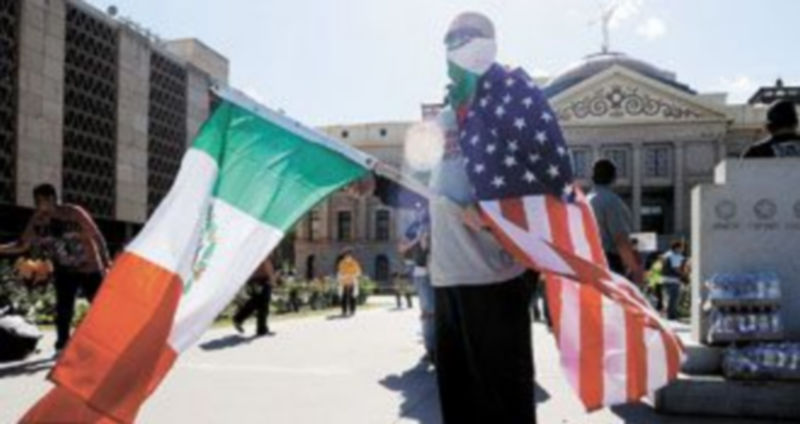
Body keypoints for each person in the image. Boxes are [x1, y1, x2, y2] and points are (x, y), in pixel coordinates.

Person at [0, 184, 110, 352]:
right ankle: (62, 343)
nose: (37, 205)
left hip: (89, 268)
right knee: (63, 308)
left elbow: (96, 236)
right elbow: (22, 244)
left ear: (51, 198)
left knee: (100, 306)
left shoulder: (75, 213)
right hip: (64, 269)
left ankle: (109, 341)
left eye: (40, 201)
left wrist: (106, 261)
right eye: (36, 201)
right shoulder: (38, 219)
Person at [588, 159, 644, 285]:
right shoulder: (612, 202)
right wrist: (635, 269)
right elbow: (621, 240)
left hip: (589, 264)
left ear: (592, 178)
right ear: (614, 178)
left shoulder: (585, 201)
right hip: (609, 264)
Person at [398, 216, 435, 361]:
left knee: (443, 310)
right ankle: (431, 349)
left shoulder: (443, 217)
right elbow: (401, 247)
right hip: (423, 271)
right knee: (429, 311)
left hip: (445, 270)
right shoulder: (416, 224)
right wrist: (418, 239)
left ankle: (442, 346)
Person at [233, 256, 277, 336]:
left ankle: (260, 328)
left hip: (253, 279)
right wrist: (272, 279)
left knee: (257, 302)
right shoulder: (263, 251)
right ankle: (260, 328)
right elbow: (267, 264)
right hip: (262, 279)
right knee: (262, 304)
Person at [660, 240, 688, 320]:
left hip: (664, 279)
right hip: (672, 280)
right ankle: (671, 315)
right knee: (673, 298)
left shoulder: (667, 254)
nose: (681, 250)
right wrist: (684, 275)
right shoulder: (674, 256)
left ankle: (666, 314)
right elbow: (676, 268)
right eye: (681, 248)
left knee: (667, 298)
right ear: (676, 248)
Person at [336, 250, 361, 317]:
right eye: (346, 256)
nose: (347, 258)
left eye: (349, 256)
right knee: (343, 297)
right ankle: (344, 311)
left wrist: (353, 275)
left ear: (351, 257)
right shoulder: (342, 263)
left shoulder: (354, 263)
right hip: (344, 283)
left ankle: (352, 310)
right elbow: (340, 272)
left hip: (352, 282)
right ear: (345, 257)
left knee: (352, 297)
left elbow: (358, 272)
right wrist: (343, 276)